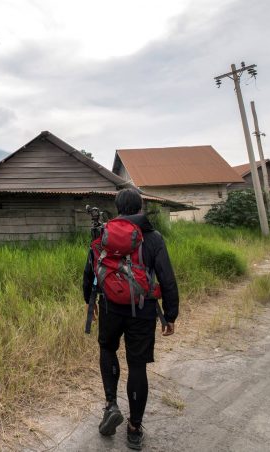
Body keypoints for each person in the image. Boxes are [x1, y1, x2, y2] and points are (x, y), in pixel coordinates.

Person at [82, 188, 179, 450]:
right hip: (144, 310)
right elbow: (167, 279)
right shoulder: (153, 237)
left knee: (108, 349)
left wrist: (89, 301)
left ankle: (111, 404)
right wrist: (170, 315)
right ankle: (134, 429)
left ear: (117, 208)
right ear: (140, 208)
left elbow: (90, 268)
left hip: (110, 307)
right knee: (137, 366)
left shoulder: (104, 234)